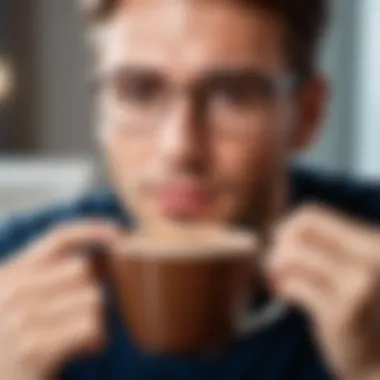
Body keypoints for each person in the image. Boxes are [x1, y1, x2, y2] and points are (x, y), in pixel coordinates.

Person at [1, 0, 380, 379]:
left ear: (306, 115)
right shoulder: (12, 273)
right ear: (99, 111)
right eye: (139, 92)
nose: (180, 148)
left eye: (232, 95)